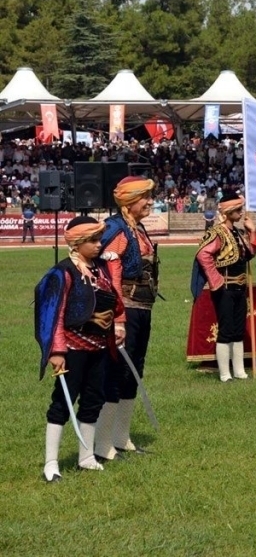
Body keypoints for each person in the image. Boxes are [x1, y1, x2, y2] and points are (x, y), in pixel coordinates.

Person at [35, 216, 125, 482]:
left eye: (99, 239)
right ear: (77, 243)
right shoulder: (62, 273)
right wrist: (57, 351)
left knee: (93, 399)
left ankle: (86, 456)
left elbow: (113, 298)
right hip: (72, 349)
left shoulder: (100, 269)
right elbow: (55, 315)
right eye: (93, 240)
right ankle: (51, 463)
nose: (99, 245)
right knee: (62, 402)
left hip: (99, 347)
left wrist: (113, 324)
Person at [93, 176, 158, 460]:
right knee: (117, 372)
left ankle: (121, 437)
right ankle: (102, 445)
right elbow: (110, 276)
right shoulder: (115, 229)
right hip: (125, 310)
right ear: (130, 202)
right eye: (145, 197)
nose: (151, 201)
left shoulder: (138, 228)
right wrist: (117, 316)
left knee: (134, 371)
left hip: (143, 308)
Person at [190, 191, 256, 382]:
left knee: (239, 328)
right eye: (238, 210)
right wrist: (215, 280)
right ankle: (225, 373)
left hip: (240, 287)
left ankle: (239, 370)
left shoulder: (238, 233)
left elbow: (248, 254)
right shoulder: (216, 232)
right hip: (224, 289)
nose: (241, 213)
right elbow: (203, 254)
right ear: (228, 211)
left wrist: (252, 231)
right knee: (226, 329)